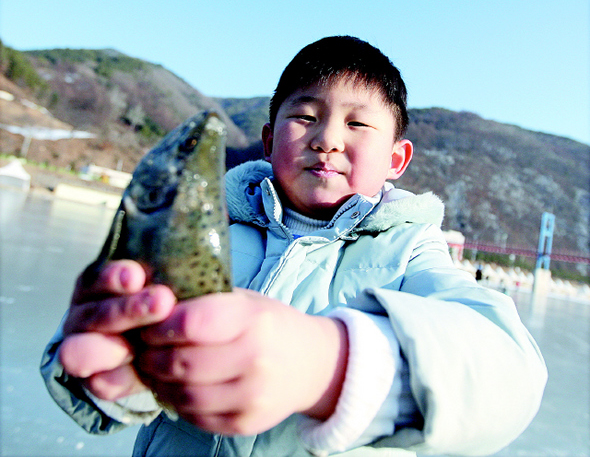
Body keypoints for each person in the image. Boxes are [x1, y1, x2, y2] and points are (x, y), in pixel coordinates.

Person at [41, 36, 547, 457]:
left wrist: (326, 365)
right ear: (267, 139)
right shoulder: (204, 232)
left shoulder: (411, 255)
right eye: (305, 115)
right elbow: (107, 381)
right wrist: (109, 375)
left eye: (357, 123)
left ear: (398, 158)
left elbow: (510, 376)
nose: (327, 138)